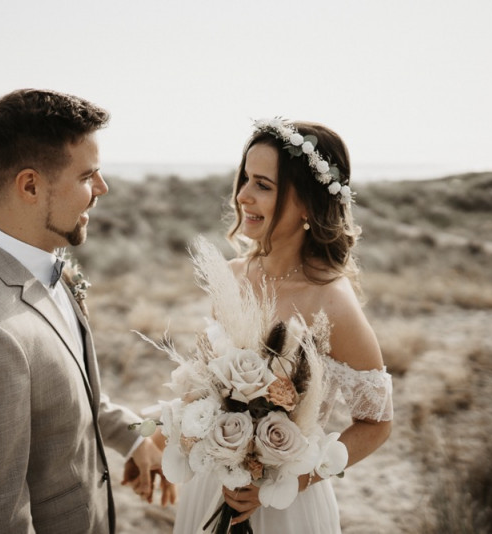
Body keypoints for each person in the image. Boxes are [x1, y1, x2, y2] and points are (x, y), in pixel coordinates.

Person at [0, 88, 167, 533]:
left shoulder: (42, 265)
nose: (102, 188)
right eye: (87, 176)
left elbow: (66, 389)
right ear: (31, 186)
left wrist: (134, 439)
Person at [172, 118, 394, 533]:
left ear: (307, 203)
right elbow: (200, 383)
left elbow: (377, 423)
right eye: (244, 179)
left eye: (263, 185)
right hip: (210, 488)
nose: (242, 196)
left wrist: (289, 480)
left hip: (285, 508)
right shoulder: (232, 276)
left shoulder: (332, 302)